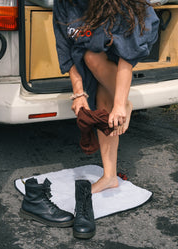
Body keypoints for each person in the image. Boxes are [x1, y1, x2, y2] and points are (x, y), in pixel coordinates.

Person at [53, 0, 159, 194]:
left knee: (93, 60)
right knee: (101, 97)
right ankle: (110, 177)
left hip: (133, 34)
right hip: (95, 43)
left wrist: (120, 104)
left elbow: (128, 55)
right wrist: (78, 93)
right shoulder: (64, 3)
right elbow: (65, 48)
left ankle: (126, 103)